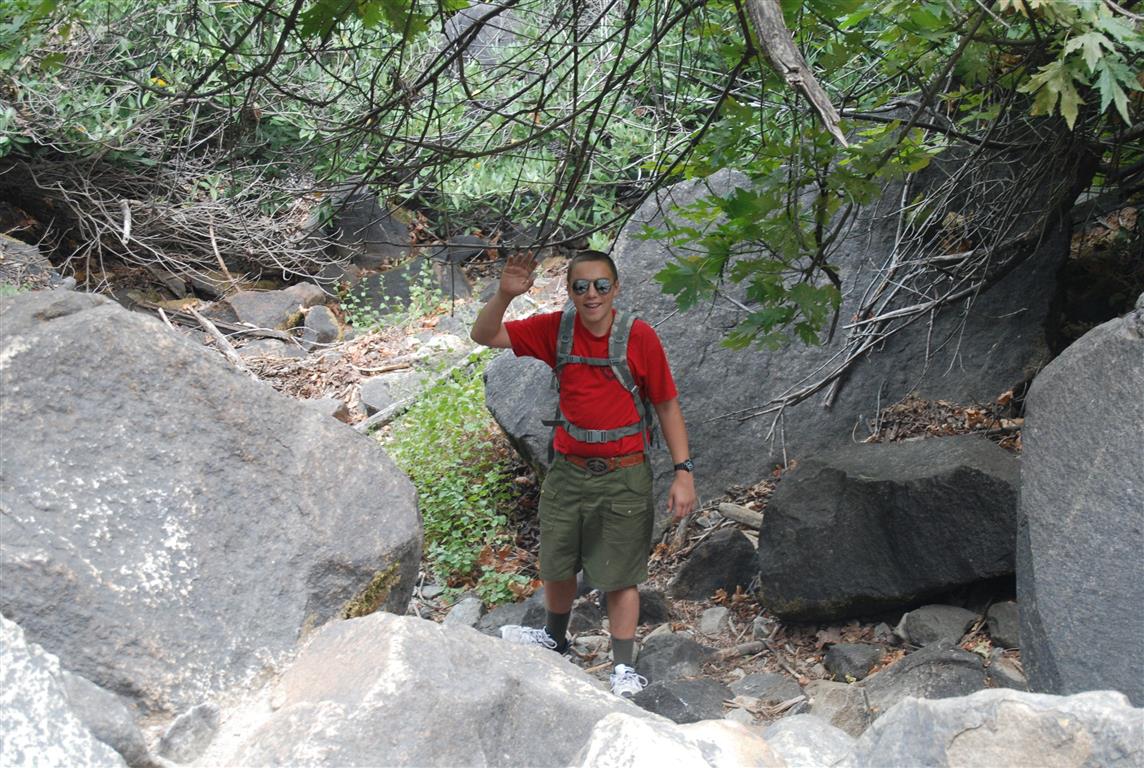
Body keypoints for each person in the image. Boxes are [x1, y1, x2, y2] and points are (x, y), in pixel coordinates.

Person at [470, 249, 697, 698]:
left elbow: (666, 405)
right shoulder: (555, 329)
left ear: (616, 288)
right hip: (568, 472)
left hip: (624, 474)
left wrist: (683, 472)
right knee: (556, 563)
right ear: (570, 291)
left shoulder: (639, 337)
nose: (591, 294)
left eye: (601, 285)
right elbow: (484, 335)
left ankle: (623, 667)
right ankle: (554, 638)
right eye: (580, 286)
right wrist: (504, 295)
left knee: (621, 575)